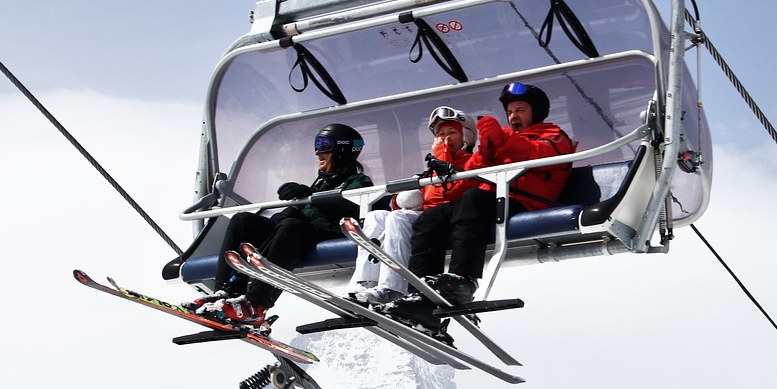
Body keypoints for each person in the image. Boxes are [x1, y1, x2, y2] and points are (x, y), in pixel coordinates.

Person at [381, 82, 576, 333]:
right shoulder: (504, 139)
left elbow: (534, 154)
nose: (513, 116)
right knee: (431, 217)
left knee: (472, 199)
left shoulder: (554, 136)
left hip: (526, 201)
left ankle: (463, 280)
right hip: (491, 201)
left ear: (535, 112)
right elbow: (467, 177)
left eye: (520, 110)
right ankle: (420, 294)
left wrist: (502, 139)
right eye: (510, 112)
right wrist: (485, 150)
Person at [188, 123, 372, 326]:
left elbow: (350, 208)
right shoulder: (321, 181)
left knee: (291, 226)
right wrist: (285, 213)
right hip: (298, 228)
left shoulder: (359, 181)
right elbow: (302, 211)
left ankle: (256, 304)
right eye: (316, 145)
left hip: (327, 232)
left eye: (324, 145)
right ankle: (225, 293)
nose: (317, 152)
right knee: (244, 221)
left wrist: (310, 196)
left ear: (342, 151)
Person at [346, 106, 477, 306]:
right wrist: (400, 200)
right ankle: (365, 282)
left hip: (448, 217)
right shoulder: (432, 169)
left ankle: (393, 287)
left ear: (466, 137)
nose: (445, 139)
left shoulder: (470, 163)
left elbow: (450, 190)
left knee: (397, 218)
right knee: (376, 217)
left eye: (452, 133)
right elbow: (417, 194)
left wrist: (441, 155)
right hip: (427, 216)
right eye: (441, 134)